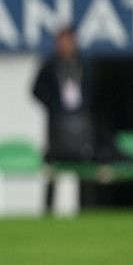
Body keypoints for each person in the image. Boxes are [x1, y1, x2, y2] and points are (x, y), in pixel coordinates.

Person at [32, 27, 95, 163]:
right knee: (55, 157)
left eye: (69, 41)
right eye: (62, 42)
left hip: (80, 117)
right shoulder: (50, 65)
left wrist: (84, 105)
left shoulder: (84, 64)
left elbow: (92, 87)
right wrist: (52, 104)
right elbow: (36, 90)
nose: (66, 45)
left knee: (83, 156)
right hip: (57, 119)